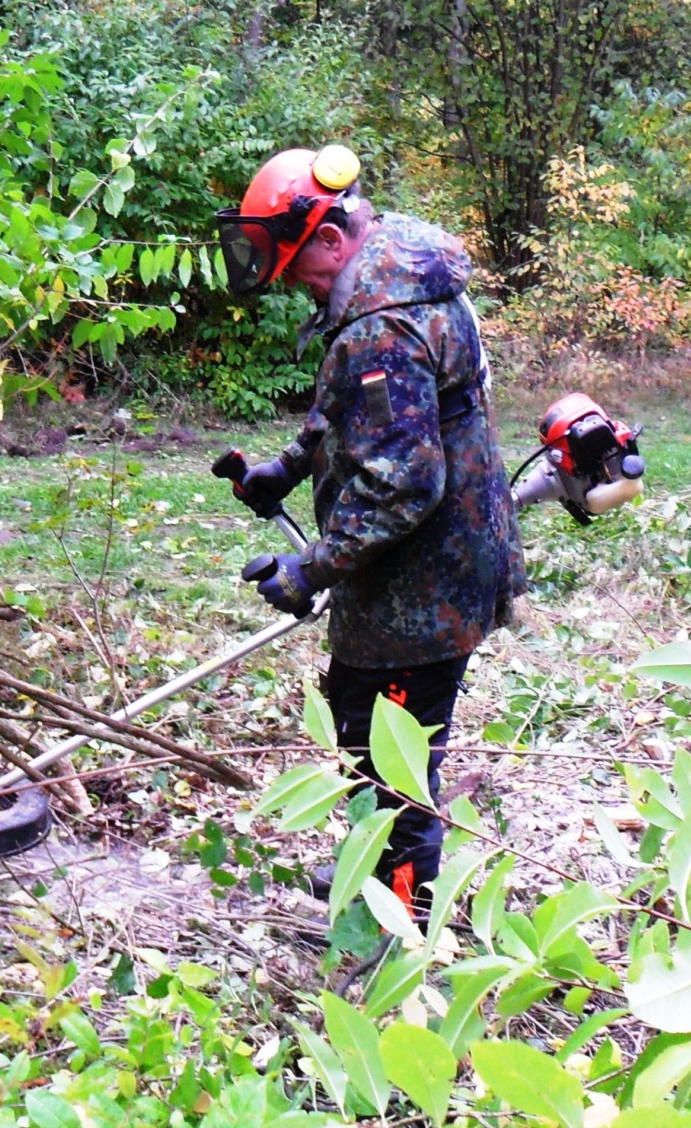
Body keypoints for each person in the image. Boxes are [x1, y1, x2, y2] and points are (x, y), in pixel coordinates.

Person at [214, 145, 526, 918]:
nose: (292, 282)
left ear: (330, 237)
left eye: (296, 266)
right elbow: (351, 413)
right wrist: (285, 470)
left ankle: (404, 916)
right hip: (410, 577)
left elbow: (403, 481)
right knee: (362, 719)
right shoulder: (386, 277)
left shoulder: (386, 325)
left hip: (423, 586)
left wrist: (310, 569)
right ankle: (372, 867)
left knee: (396, 753)